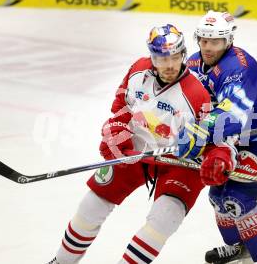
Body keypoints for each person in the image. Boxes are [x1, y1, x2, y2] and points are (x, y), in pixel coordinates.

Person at [47, 24, 210, 264]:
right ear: (151, 56)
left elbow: (214, 140)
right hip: (136, 150)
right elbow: (121, 107)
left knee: (163, 219)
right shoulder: (137, 70)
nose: (169, 65)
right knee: (90, 206)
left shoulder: (197, 95)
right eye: (161, 58)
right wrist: (115, 133)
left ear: (183, 54)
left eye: (175, 57)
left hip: (179, 163)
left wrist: (218, 158)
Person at [177, 11, 257, 264]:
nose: (207, 47)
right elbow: (187, 104)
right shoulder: (193, 63)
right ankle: (239, 247)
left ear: (228, 41)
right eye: (203, 40)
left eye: (215, 41)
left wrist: (197, 136)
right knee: (217, 196)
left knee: (237, 197)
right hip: (240, 136)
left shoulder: (240, 67)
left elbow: (231, 116)